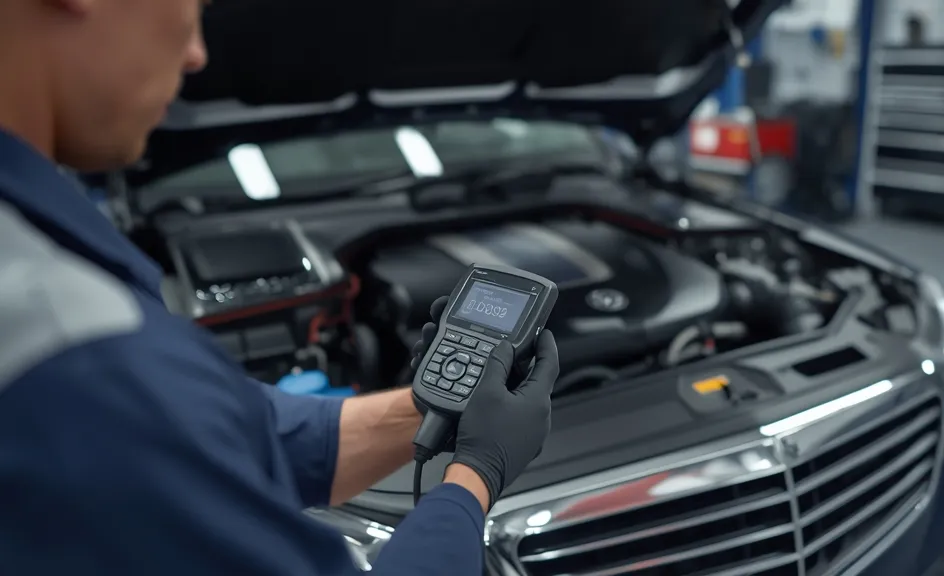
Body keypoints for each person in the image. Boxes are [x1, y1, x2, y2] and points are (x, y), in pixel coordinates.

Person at [0, 0, 560, 574]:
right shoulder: (76, 355)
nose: (196, 54)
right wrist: (474, 477)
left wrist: (432, 404)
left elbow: (250, 431)